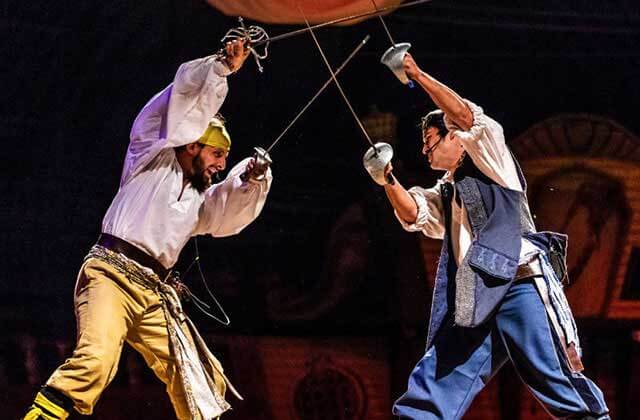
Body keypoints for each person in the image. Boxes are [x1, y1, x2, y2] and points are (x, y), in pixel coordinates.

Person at [23, 39, 273, 420]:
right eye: (218, 154)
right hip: (110, 276)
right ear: (192, 144)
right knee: (96, 360)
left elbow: (227, 210)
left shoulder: (198, 201)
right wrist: (221, 68)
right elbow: (180, 104)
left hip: (154, 293)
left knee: (199, 378)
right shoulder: (150, 156)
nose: (223, 164)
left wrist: (252, 179)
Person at [365, 53, 609, 419]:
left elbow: (465, 115)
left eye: (430, 139)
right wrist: (385, 178)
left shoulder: (491, 156)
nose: (424, 149)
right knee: (436, 379)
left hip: (518, 283)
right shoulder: (447, 191)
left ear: (457, 140)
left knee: (554, 377)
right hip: (475, 297)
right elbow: (414, 213)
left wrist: (415, 73)